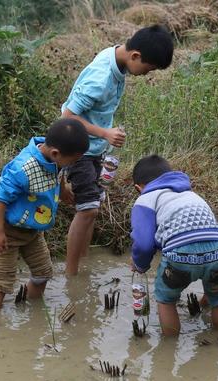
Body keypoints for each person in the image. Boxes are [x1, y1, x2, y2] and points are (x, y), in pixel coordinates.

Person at [61, 25, 174, 275]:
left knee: (92, 207)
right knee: (87, 209)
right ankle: (71, 274)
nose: (147, 74)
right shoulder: (101, 78)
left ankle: (84, 262)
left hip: (95, 149)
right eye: (148, 69)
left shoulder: (117, 60)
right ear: (135, 56)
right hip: (78, 148)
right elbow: (67, 118)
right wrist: (104, 133)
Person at [0, 119, 89, 310]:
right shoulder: (24, 168)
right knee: (1, 284)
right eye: (73, 161)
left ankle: (32, 313)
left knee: (43, 274)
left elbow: (59, 171)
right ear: (56, 153)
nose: (73, 165)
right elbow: (0, 197)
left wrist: (63, 190)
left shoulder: (55, 159)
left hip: (33, 231)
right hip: (8, 232)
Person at [130, 155, 218, 336]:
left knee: (166, 300)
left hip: (181, 254)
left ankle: (169, 347)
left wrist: (140, 265)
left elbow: (143, 244)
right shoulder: (191, 194)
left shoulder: (145, 199)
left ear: (139, 188)